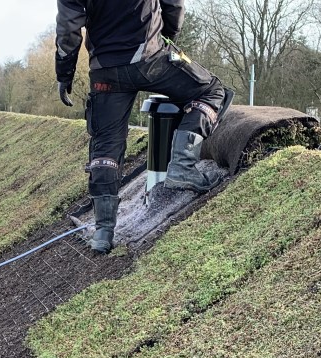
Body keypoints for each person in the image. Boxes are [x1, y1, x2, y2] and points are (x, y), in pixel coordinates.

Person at [56, 0, 233, 253]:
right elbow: (173, 5)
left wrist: (64, 74)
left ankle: (103, 230)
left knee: (105, 143)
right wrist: (167, 36)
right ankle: (183, 166)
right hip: (151, 58)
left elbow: (68, 28)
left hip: (105, 69)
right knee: (212, 90)